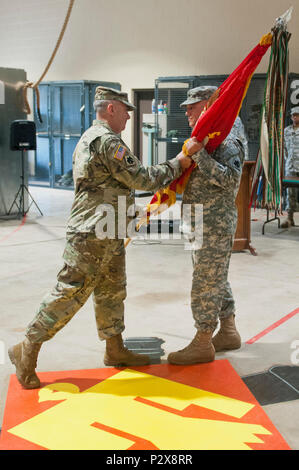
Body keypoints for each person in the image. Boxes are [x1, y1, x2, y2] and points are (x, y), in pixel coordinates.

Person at [9, 86, 197, 389]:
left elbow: (108, 188)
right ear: (111, 108)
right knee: (69, 293)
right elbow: (142, 179)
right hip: (91, 233)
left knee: (112, 290)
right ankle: (27, 349)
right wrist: (179, 164)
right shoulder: (107, 142)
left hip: (107, 230)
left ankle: (114, 348)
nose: (127, 117)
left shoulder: (93, 138)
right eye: (125, 111)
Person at [167, 86, 245, 365]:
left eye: (192, 105)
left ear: (210, 104)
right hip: (200, 219)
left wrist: (199, 154)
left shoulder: (227, 136)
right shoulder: (211, 133)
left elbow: (229, 180)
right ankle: (228, 331)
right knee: (214, 276)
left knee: (205, 281)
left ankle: (202, 341)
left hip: (214, 221)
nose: (186, 111)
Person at [281, 107, 299, 228]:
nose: (295, 117)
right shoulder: (286, 131)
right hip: (291, 166)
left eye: (297, 115)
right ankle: (289, 218)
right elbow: (284, 149)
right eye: (293, 115)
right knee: (290, 193)